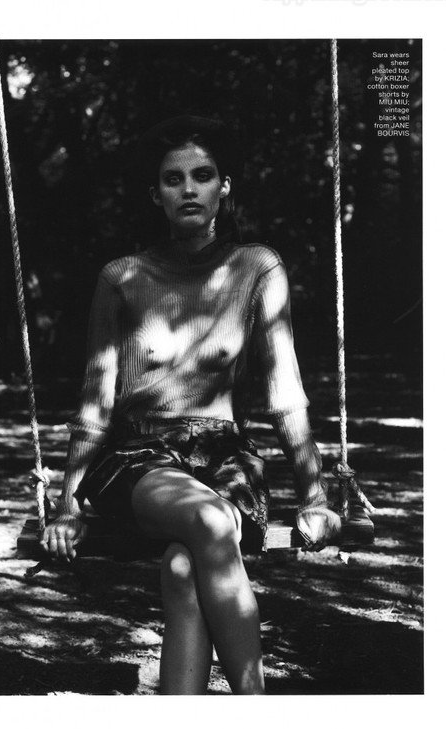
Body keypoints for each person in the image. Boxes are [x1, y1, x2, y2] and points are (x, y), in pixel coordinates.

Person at [40, 115, 341, 695]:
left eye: (202, 176)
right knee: (207, 521)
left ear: (223, 187)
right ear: (155, 194)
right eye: (173, 179)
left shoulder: (257, 268)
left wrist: (316, 495)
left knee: (183, 567)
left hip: (227, 457)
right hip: (139, 457)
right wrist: (67, 502)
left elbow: (285, 393)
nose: (188, 189)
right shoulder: (122, 277)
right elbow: (96, 399)